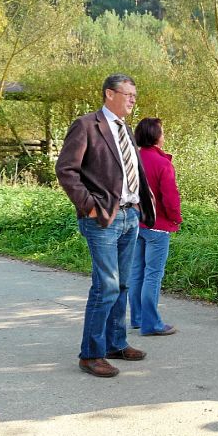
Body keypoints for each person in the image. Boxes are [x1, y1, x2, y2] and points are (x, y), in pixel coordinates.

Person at [56, 73, 156, 378]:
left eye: (134, 96)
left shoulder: (125, 129)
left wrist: (138, 204)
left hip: (129, 215)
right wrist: (88, 205)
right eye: (127, 94)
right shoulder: (87, 125)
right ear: (109, 94)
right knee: (106, 285)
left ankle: (115, 342)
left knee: (122, 283)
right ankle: (91, 354)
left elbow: (130, 169)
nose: (132, 100)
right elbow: (66, 169)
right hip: (103, 217)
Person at [128, 117, 182, 336]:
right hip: (158, 225)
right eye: (162, 131)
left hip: (135, 221)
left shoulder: (133, 159)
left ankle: (138, 318)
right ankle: (152, 324)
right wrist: (176, 218)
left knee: (136, 272)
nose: (164, 135)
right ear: (155, 136)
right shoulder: (163, 163)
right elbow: (170, 197)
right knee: (153, 274)